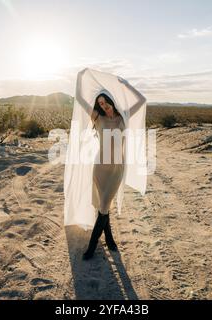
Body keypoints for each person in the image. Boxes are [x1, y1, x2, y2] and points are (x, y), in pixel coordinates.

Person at [74, 70, 146, 260]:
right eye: (100, 104)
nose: (103, 106)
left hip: (116, 169)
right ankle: (110, 238)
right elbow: (79, 98)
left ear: (111, 101)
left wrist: (126, 84)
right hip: (100, 168)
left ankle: (91, 248)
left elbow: (142, 100)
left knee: (105, 204)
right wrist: (80, 78)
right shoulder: (98, 118)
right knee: (103, 207)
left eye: (104, 103)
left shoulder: (123, 118)